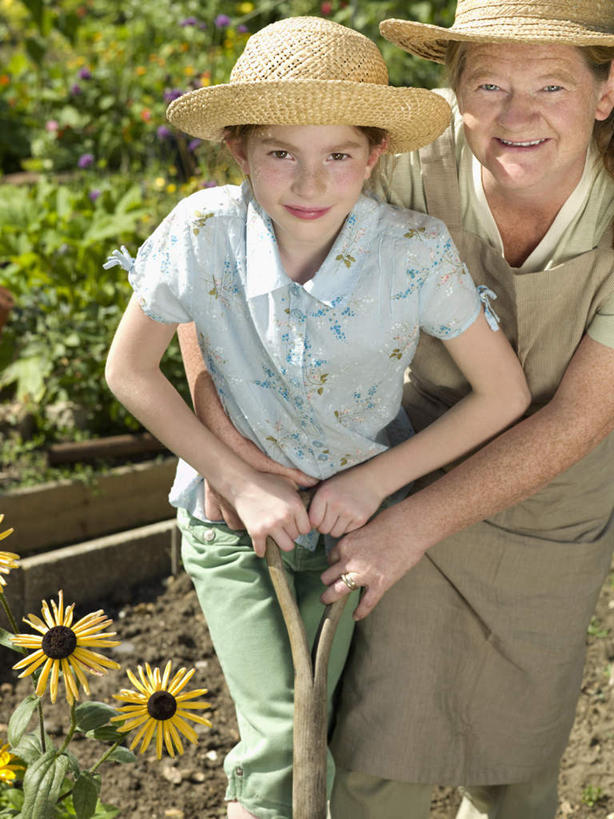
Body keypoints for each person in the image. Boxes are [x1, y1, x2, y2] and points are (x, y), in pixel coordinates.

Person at [177, 3, 614, 818]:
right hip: (401, 466)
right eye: (489, 83)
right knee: (383, 751)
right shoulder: (409, 151)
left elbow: (576, 417)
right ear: (454, 90)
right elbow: (230, 242)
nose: (517, 116)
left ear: (604, 93)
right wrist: (220, 437)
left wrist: (403, 526)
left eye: (551, 84)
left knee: (519, 768)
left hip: (550, 497)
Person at [104, 15, 531, 819]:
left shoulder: (412, 252)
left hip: (358, 524)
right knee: (276, 735)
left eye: (338, 155)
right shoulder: (202, 233)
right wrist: (239, 478)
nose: (310, 183)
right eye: (280, 154)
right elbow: (128, 370)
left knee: (338, 727)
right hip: (234, 524)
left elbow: (502, 395)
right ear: (238, 148)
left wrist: (375, 482)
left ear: (375, 154)